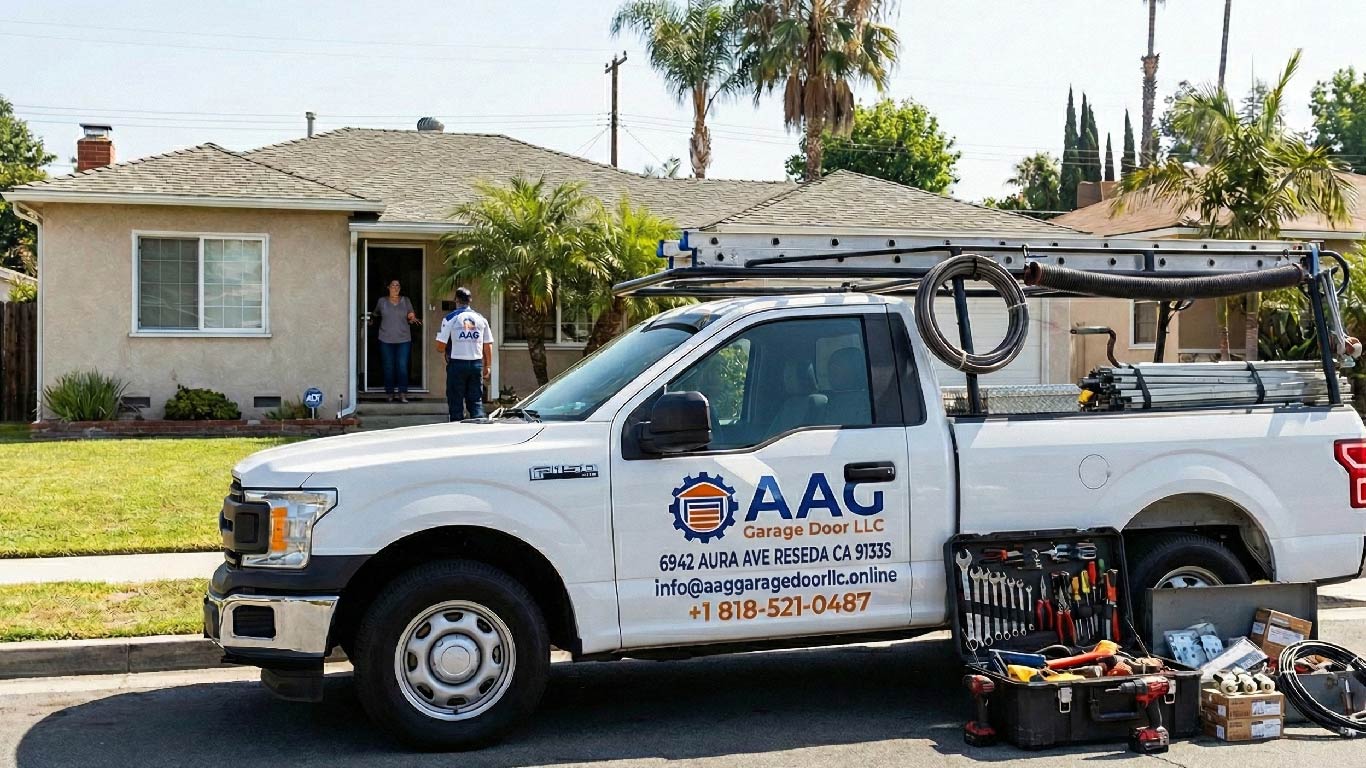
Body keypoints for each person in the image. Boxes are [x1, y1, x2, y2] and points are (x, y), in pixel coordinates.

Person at [436, 286, 494, 421]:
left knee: (456, 401)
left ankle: (456, 430)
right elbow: (488, 344)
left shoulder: (451, 318)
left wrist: (448, 347)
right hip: (476, 364)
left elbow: (440, 346)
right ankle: (478, 430)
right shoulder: (481, 319)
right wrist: (488, 366)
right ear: (470, 300)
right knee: (475, 401)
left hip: (457, 364)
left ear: (456, 300)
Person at [371, 279, 419, 403]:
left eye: (398, 285)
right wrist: (371, 320)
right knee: (388, 367)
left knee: (402, 366)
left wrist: (412, 317)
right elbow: (375, 314)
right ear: (388, 287)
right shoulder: (382, 301)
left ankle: (402, 393)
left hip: (403, 339)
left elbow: (410, 314)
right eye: (393, 285)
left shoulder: (406, 300)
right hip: (385, 339)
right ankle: (390, 393)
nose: (396, 288)